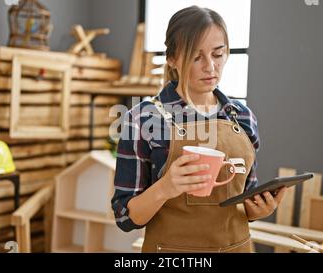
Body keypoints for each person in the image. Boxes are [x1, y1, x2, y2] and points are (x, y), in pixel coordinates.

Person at [111, 5, 286, 253]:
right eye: (196, 56)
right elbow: (124, 218)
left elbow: (244, 196)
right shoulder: (142, 119)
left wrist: (258, 209)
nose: (210, 67)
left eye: (218, 54)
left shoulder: (243, 117)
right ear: (172, 59)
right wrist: (165, 188)